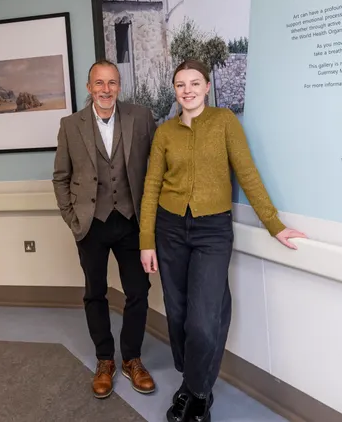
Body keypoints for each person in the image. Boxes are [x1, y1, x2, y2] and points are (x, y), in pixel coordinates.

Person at [139, 59, 307, 422]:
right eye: (181, 84)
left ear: (207, 86)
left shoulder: (224, 122)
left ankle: (197, 392)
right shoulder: (164, 133)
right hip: (169, 229)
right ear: (175, 90)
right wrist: (146, 240)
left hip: (212, 231)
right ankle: (192, 383)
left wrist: (274, 224)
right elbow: (151, 186)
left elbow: (246, 172)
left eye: (194, 83)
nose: (188, 90)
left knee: (204, 319)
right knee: (179, 314)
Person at [53, 59, 158, 399]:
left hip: (132, 222)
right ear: (89, 88)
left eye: (112, 83)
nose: (106, 89)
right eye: (99, 83)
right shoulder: (70, 125)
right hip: (91, 224)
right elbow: (61, 177)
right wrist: (73, 219)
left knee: (138, 292)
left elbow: (155, 168)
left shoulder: (140, 117)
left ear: (119, 86)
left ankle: (131, 358)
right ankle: (104, 360)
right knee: (94, 293)